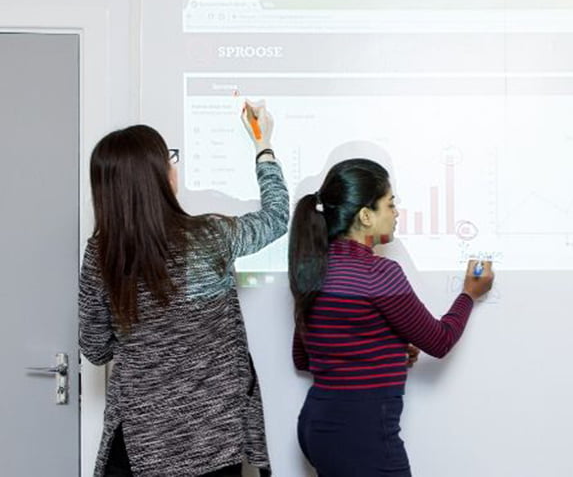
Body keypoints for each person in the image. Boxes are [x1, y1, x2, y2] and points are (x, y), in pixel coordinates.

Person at [78, 102, 289, 477]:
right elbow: (276, 216)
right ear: (160, 176)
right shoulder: (211, 238)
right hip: (214, 440)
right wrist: (263, 144)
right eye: (169, 160)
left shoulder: (102, 254)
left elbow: (95, 349)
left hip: (143, 444)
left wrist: (141, 340)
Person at [289, 158, 494, 476]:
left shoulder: (312, 270)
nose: (396, 214)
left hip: (317, 428)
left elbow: (304, 357)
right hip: (361, 436)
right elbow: (439, 341)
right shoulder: (379, 273)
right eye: (390, 204)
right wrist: (469, 293)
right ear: (366, 216)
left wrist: (388, 351)